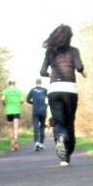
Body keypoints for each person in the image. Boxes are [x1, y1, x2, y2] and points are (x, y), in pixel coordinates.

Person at [40, 24, 86, 166]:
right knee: (69, 122)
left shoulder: (50, 52)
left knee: (59, 122)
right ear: (69, 37)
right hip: (70, 90)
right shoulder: (74, 51)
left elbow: (42, 71)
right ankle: (67, 154)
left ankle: (61, 146)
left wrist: (50, 75)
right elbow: (79, 67)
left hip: (54, 90)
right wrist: (83, 73)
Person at [1, 80, 24, 151]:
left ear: (9, 84)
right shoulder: (19, 91)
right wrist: (18, 105)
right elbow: (22, 100)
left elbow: (2, 99)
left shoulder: (6, 91)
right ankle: (16, 139)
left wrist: (5, 104)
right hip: (16, 110)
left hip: (9, 110)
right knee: (16, 126)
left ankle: (12, 144)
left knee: (10, 128)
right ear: (15, 84)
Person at [26, 78, 48, 151]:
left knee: (36, 127)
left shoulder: (32, 90)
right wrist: (45, 105)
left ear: (36, 83)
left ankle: (36, 143)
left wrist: (33, 103)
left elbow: (27, 100)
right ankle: (41, 144)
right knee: (42, 127)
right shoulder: (45, 90)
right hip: (43, 111)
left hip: (35, 110)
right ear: (41, 83)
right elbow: (49, 99)